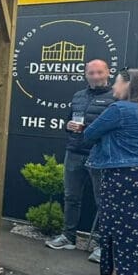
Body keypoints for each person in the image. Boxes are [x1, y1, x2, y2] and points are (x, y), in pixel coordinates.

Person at [80, 68, 138, 275]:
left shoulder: (119, 109)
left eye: (117, 82)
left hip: (124, 172)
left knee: (118, 225)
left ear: (128, 85)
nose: (114, 87)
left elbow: (90, 133)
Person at [45, 59, 114, 258]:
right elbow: (68, 120)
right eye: (91, 73)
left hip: (100, 155)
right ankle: (68, 237)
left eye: (99, 72)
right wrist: (67, 126)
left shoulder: (115, 98)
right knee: (71, 197)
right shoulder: (78, 96)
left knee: (103, 201)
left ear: (108, 72)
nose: (95, 76)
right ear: (85, 74)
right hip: (74, 151)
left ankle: (103, 246)